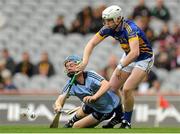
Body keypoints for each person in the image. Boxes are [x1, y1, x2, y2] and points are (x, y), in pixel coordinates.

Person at [77, 5, 154, 128]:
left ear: (118, 19)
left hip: (144, 58)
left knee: (127, 89)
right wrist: (85, 61)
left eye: (109, 20)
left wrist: (119, 66)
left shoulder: (131, 28)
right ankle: (119, 116)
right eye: (105, 20)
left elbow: (135, 53)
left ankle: (126, 122)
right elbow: (91, 43)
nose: (106, 23)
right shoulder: (109, 28)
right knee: (112, 88)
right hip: (129, 55)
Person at [53, 55, 123, 128]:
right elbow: (61, 98)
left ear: (79, 65)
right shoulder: (70, 84)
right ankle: (70, 122)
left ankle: (75, 123)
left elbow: (107, 85)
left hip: (105, 109)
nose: (69, 68)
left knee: (76, 127)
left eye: (71, 65)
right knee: (85, 107)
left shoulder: (90, 75)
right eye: (67, 67)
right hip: (91, 105)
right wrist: (58, 105)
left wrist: (94, 97)